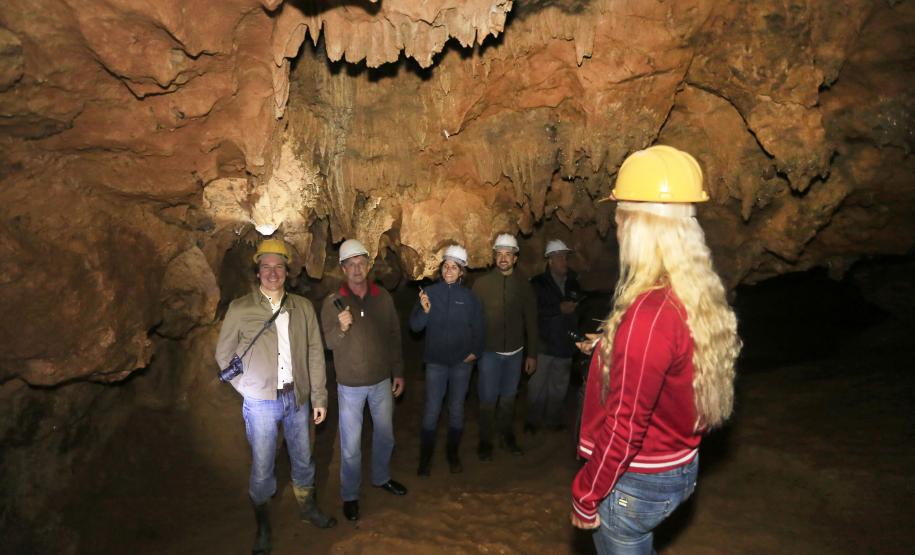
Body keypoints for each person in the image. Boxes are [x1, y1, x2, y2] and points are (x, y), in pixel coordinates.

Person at [570, 145, 741, 554]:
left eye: (620, 218)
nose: (616, 230)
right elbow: (673, 362)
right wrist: (613, 344)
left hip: (636, 482)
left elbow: (625, 425)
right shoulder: (692, 292)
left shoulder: (649, 313)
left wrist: (586, 492)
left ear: (638, 226)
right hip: (680, 465)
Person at [214, 238, 336, 555]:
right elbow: (224, 355)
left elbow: (314, 353)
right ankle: (264, 527)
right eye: (266, 266)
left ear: (286, 271)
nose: (272, 272)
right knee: (262, 466)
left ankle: (308, 509)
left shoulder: (303, 308)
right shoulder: (241, 309)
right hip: (260, 403)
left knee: (303, 457)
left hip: (297, 398)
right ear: (258, 272)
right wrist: (247, 386)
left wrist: (319, 396)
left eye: (278, 266)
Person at [320, 239, 408, 523]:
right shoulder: (332, 302)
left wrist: (398, 371)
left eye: (361, 263)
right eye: (351, 264)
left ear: (368, 266)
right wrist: (341, 328)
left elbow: (394, 336)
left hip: (381, 381)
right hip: (350, 385)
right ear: (343, 269)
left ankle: (381, 477)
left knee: (385, 435)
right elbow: (328, 343)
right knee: (351, 446)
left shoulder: (382, 297)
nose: (357, 269)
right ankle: (350, 495)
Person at [409, 244, 484, 476]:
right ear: (441, 269)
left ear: (462, 272)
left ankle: (452, 454)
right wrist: (425, 310)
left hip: (462, 362)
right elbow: (415, 326)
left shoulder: (469, 298)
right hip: (436, 362)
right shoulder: (429, 293)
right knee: (432, 409)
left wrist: (475, 352)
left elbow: (479, 328)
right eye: (446, 266)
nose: (449, 270)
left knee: (456, 409)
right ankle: (425, 458)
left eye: (454, 267)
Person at [471, 233, 539, 460]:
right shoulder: (481, 285)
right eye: (499, 254)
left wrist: (532, 354)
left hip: (516, 353)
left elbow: (531, 319)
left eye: (508, 254)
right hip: (489, 352)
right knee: (488, 398)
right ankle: (485, 440)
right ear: (494, 257)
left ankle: (506, 436)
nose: (503, 258)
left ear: (515, 258)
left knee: (509, 397)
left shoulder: (524, 284)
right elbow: (472, 321)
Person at [525, 239, 582, 434]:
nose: (564, 261)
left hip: (565, 344)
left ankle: (553, 419)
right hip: (544, 343)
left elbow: (579, 310)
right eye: (559, 258)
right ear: (550, 260)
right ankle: (533, 421)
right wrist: (558, 309)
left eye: (565, 257)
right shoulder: (538, 283)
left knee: (559, 386)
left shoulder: (573, 282)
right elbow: (532, 311)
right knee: (537, 387)